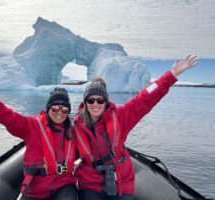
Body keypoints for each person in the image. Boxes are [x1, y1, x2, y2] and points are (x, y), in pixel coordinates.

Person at [73, 55, 198, 200]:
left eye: (100, 100)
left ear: (106, 102)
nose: (95, 104)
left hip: (120, 180)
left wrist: (172, 75)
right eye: (91, 100)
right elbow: (65, 154)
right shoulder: (76, 128)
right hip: (91, 183)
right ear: (85, 102)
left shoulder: (120, 117)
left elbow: (146, 98)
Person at [0, 81, 77, 200]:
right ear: (48, 109)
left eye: (64, 110)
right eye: (55, 108)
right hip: (37, 187)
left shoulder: (72, 132)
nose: (59, 113)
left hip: (63, 184)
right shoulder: (32, 126)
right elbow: (5, 115)